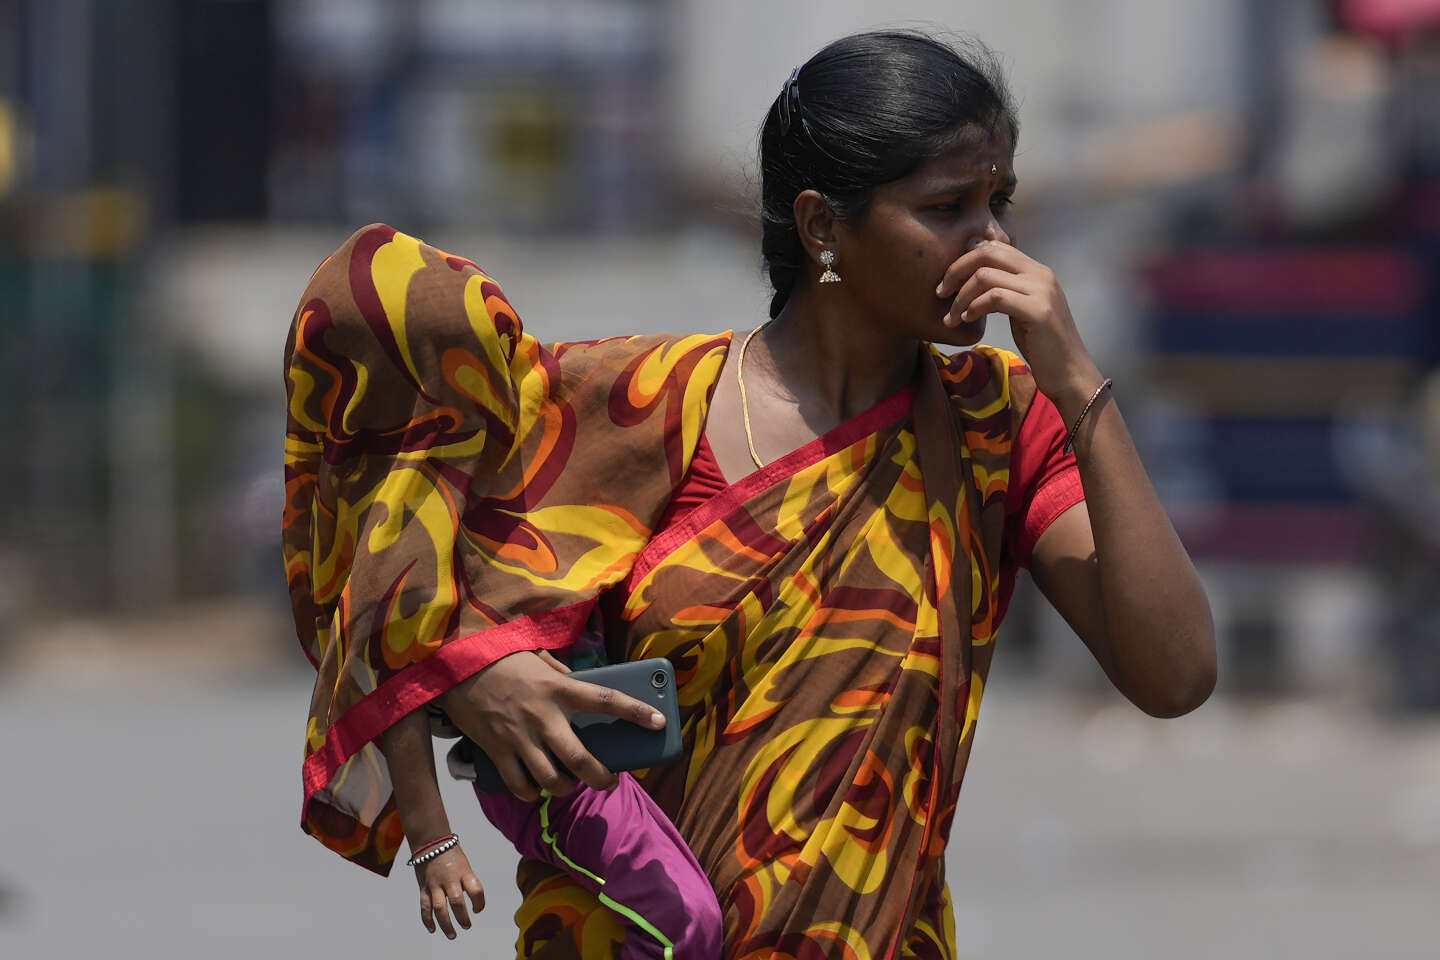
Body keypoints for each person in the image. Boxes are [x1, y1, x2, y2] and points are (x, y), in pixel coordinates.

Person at [283, 30, 1216, 959]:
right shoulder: (639, 408)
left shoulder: (999, 428)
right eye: (949, 207)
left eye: (998, 201)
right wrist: (481, 678)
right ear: (821, 228)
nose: (995, 242)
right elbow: (398, 570)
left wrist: (1079, 383)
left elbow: (1174, 674)